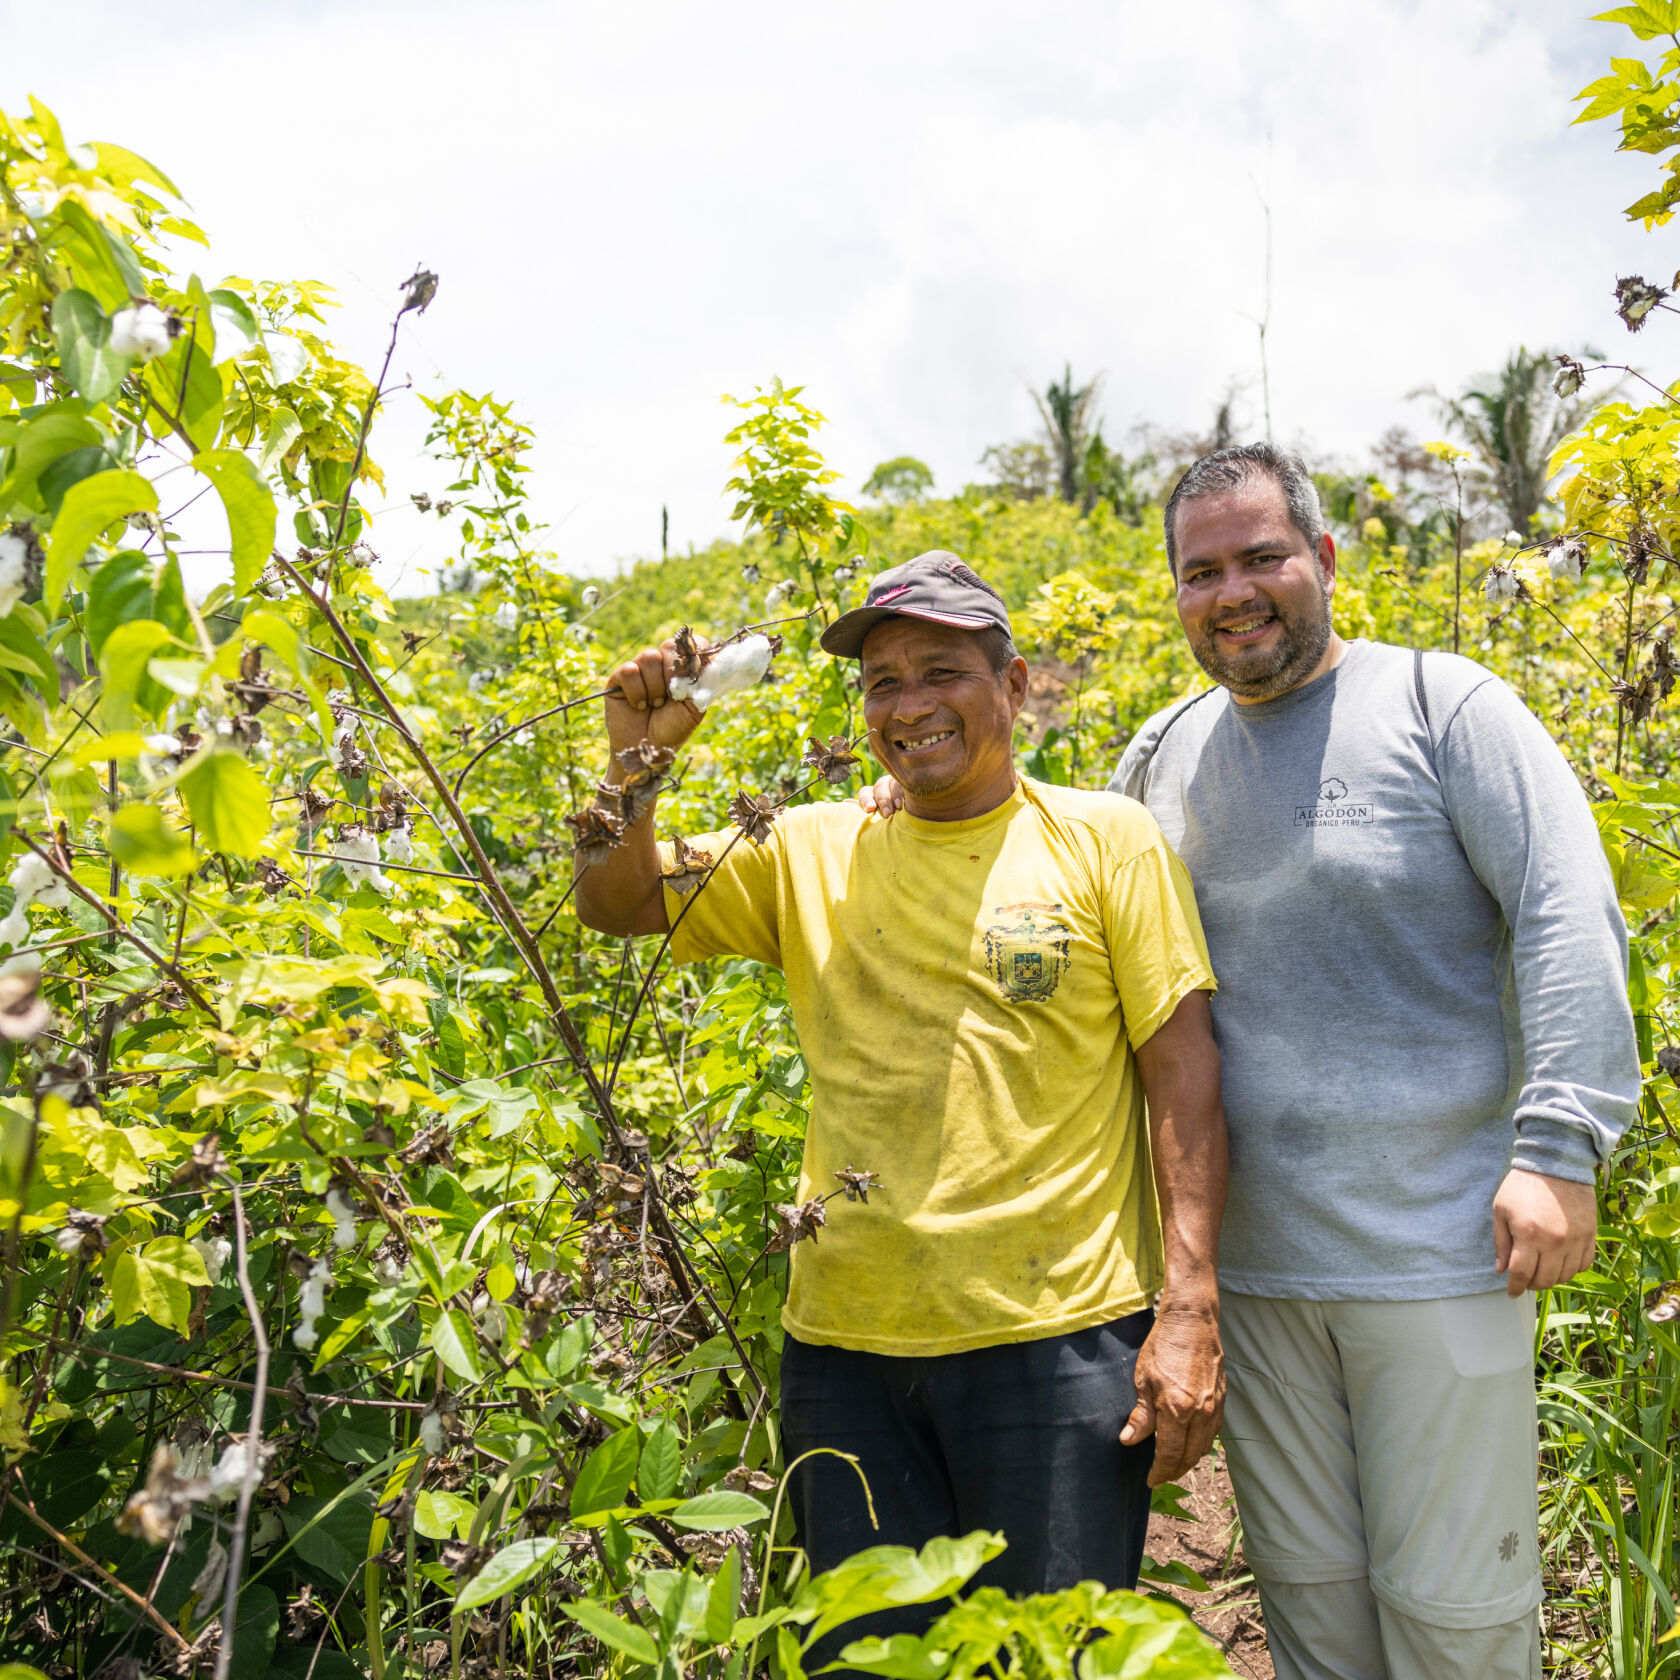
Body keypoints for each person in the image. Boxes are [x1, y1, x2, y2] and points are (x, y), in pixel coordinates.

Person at [865, 446, 1639, 1680]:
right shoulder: (1163, 756)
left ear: (1325, 561)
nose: (1235, 591)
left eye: (1263, 557)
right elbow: (1064, 892)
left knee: (1454, 1617)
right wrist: (914, 795)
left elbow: (1564, 908)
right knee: (1312, 1609)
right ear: (1175, 594)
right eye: (1201, 570)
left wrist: (1559, 1148)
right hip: (1254, 1281)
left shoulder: (1447, 709)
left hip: (1438, 1256)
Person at [576, 552, 1230, 1652]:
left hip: (1058, 1341)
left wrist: (1190, 1308)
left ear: (1014, 685)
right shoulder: (807, 847)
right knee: (867, 1664)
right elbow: (617, 902)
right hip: (846, 1355)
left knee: (1051, 1663)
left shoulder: (1105, 840)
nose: (910, 704)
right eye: (882, 681)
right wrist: (633, 760)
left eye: (943, 671)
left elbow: (1184, 1070)